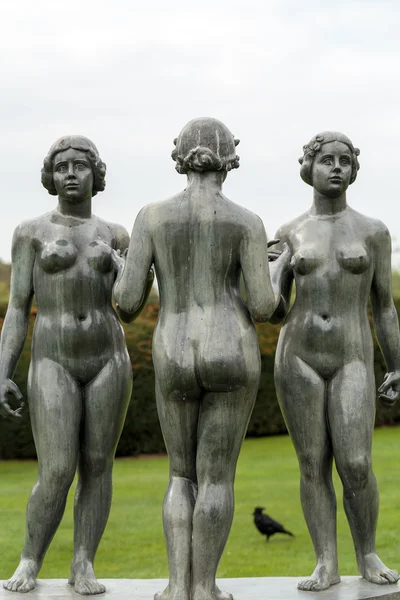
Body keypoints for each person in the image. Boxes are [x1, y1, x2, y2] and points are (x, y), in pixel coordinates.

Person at [113, 117, 289, 600]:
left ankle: (176, 587)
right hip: (231, 347)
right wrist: (284, 266)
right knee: (216, 477)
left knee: (179, 474)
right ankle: (206, 587)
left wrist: (116, 265)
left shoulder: (151, 217)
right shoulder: (246, 221)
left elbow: (127, 303)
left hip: (173, 348)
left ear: (180, 157)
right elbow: (264, 306)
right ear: (230, 158)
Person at [0, 135, 147, 595]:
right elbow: (17, 309)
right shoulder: (31, 232)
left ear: (95, 174)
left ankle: (83, 563)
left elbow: (131, 308)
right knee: (58, 469)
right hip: (53, 359)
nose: (70, 173)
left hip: (109, 357)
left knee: (98, 464)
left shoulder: (118, 234)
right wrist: (2, 371)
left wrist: (121, 264)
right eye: (61, 166)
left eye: (80, 166)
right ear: (50, 175)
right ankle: (29, 560)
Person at [269, 131, 400, 592]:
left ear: (354, 170)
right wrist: (278, 265)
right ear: (309, 167)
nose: (336, 167)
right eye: (326, 159)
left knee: (357, 462)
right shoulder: (289, 231)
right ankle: (326, 559)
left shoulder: (373, 231)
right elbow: (270, 309)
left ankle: (366, 552)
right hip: (298, 354)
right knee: (312, 462)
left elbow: (384, 305)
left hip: (351, 355)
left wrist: (396, 363)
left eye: (345, 160)